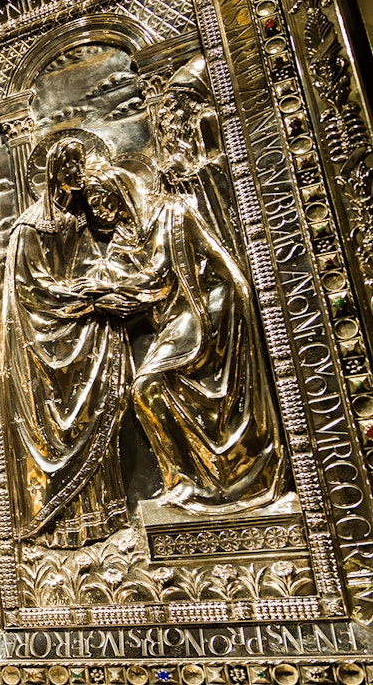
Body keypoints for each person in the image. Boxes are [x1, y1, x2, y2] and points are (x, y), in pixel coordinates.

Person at [114, 62, 285, 514]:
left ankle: (205, 478)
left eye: (105, 202)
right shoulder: (130, 238)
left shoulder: (175, 212)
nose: (101, 213)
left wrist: (228, 315)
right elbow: (145, 283)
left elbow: (215, 267)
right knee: (148, 388)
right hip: (179, 317)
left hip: (209, 308)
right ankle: (183, 478)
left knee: (147, 384)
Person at [1, 136, 133, 548]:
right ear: (54, 170)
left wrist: (100, 291)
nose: (76, 172)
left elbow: (100, 264)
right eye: (69, 165)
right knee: (58, 425)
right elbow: (32, 289)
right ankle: (60, 526)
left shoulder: (83, 220)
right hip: (44, 337)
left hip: (80, 333)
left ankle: (101, 518)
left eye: (81, 164)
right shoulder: (29, 226)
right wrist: (85, 298)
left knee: (98, 402)